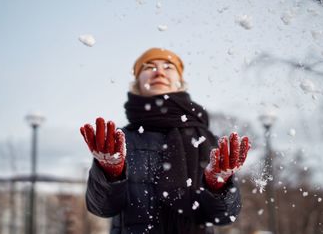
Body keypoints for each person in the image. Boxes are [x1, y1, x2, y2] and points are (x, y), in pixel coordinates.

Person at [80, 48, 251, 234]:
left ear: (180, 83)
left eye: (168, 67)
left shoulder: (206, 140)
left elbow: (224, 216)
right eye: (149, 67)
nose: (159, 71)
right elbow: (102, 208)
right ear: (137, 83)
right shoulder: (119, 141)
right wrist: (110, 174)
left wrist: (218, 185)